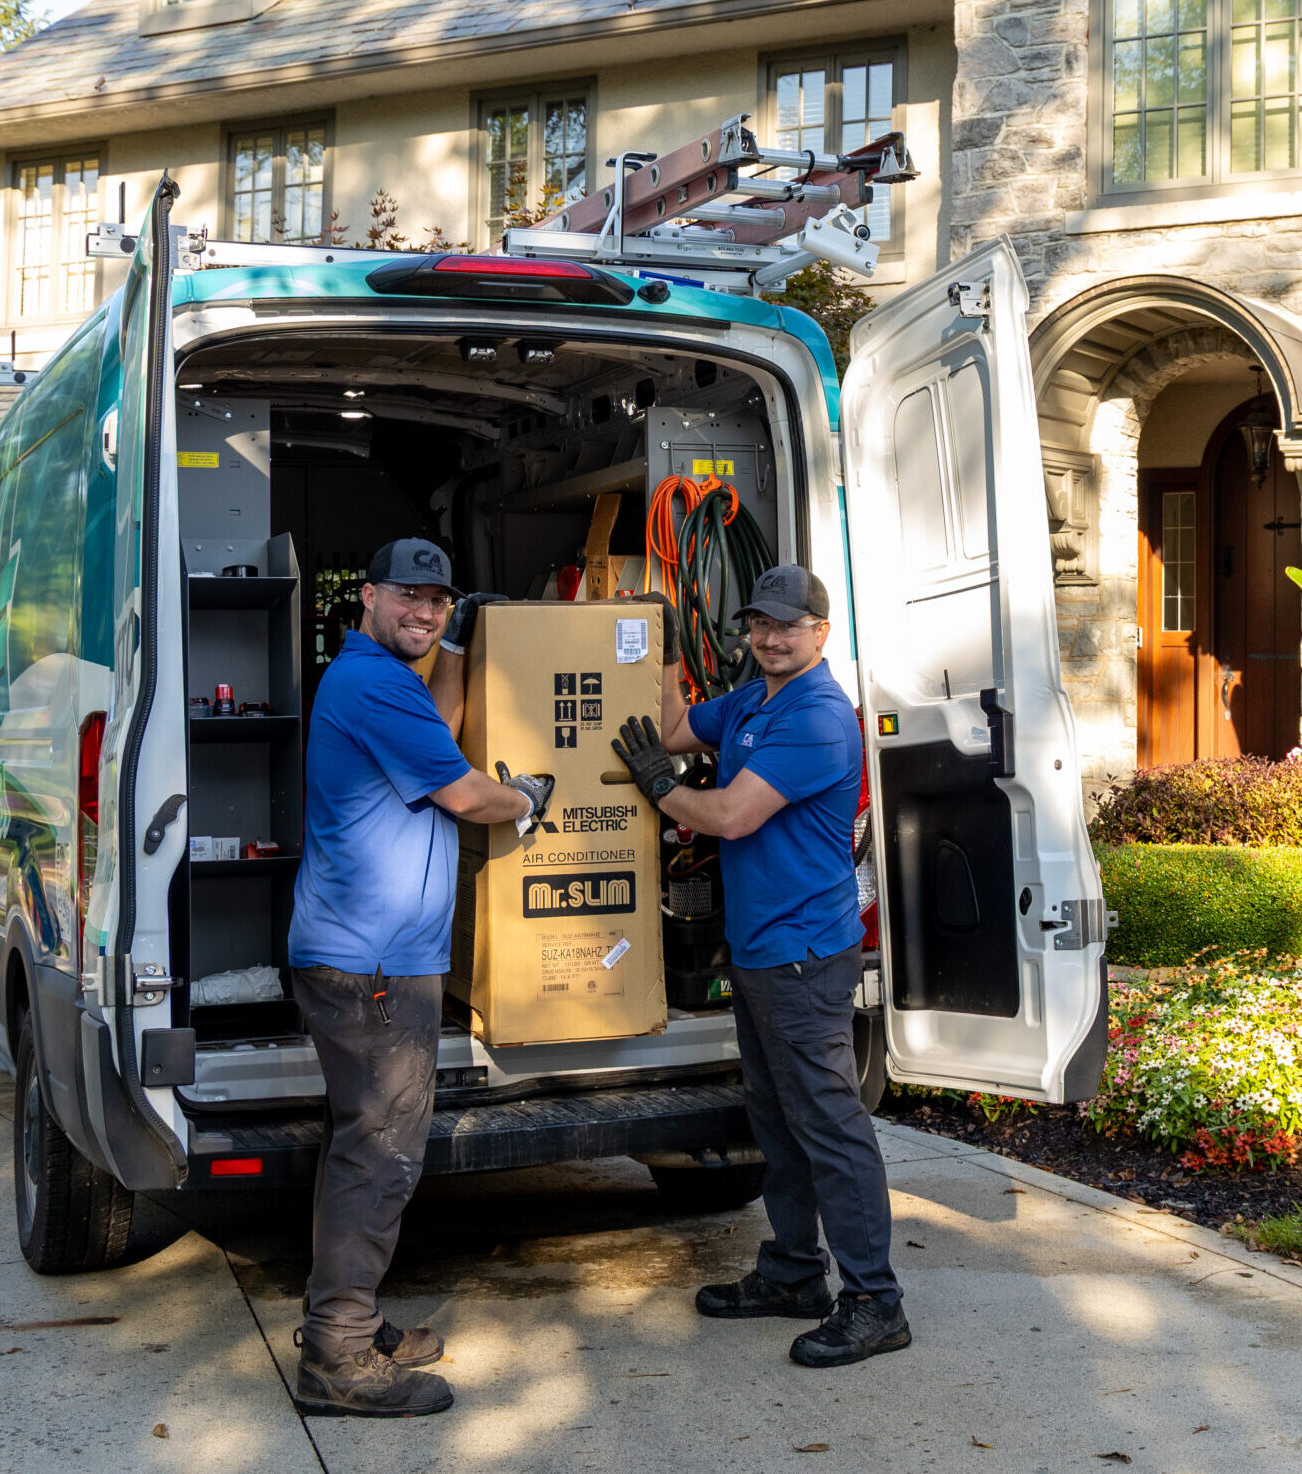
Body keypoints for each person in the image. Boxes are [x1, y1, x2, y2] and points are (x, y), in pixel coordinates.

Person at [612, 565, 910, 1368]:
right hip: (760, 949)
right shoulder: (754, 699)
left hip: (804, 954)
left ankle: (875, 1302)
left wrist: (659, 788)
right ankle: (790, 1274)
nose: (769, 639)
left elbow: (729, 815)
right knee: (776, 1121)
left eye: (785, 626)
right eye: (758, 626)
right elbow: (674, 728)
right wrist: (667, 647)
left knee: (829, 1126)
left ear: (820, 631)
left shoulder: (816, 717)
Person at [288, 539, 552, 1418]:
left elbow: (435, 723)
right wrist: (529, 798)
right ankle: (338, 1356)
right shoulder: (369, 683)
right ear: (366, 595)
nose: (425, 612)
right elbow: (469, 793)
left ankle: (344, 1323)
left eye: (438, 601)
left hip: (366, 955)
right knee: (381, 1155)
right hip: (372, 965)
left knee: (360, 1146)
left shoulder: (379, 678)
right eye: (410, 596)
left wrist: (465, 647)